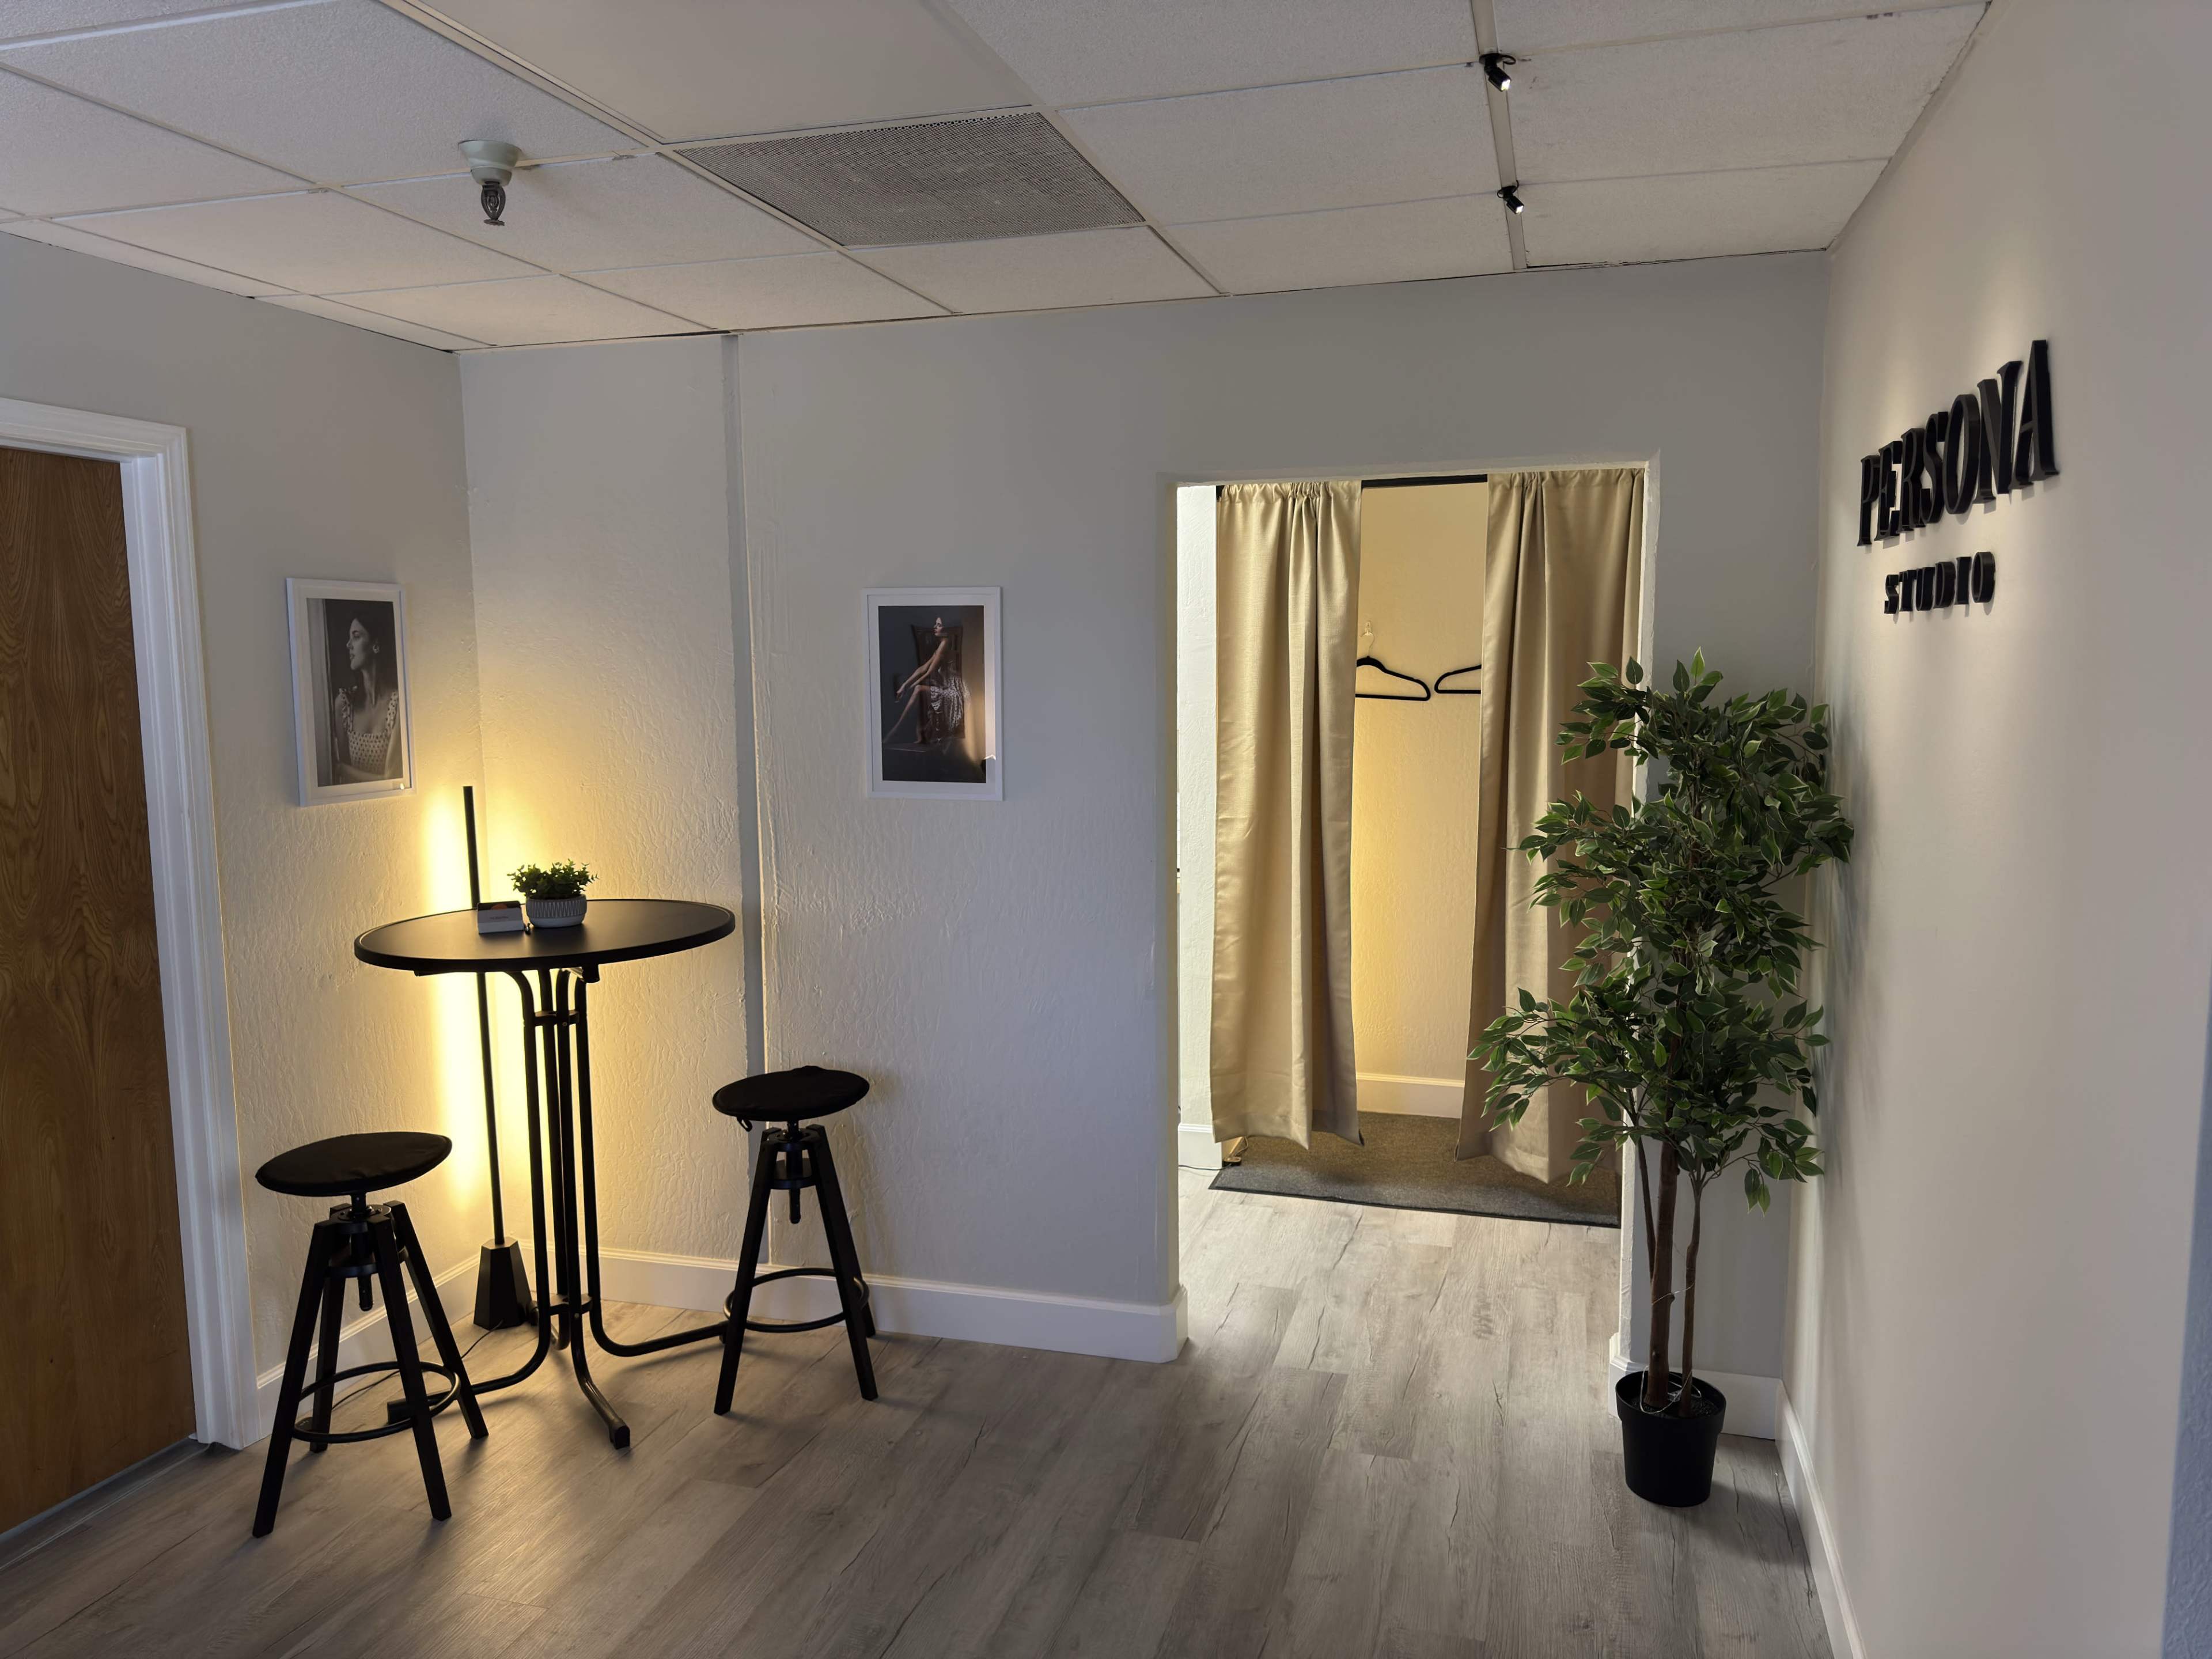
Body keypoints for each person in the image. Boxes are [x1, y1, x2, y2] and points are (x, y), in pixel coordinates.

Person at [330, 612, 400, 783]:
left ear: (375, 645)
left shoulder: (398, 704)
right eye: (349, 638)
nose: (348, 645)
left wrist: (340, 769)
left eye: (356, 637)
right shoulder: (344, 705)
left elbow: (391, 778)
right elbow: (346, 784)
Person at [884, 615, 965, 751]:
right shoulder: (942, 644)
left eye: (938, 625)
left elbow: (929, 672)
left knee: (918, 689)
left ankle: (896, 731)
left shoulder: (945, 644)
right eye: (936, 624)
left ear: (948, 628)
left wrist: (909, 688)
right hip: (943, 687)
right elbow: (923, 668)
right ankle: (917, 733)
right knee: (919, 688)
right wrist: (905, 686)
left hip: (952, 693)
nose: (934, 627)